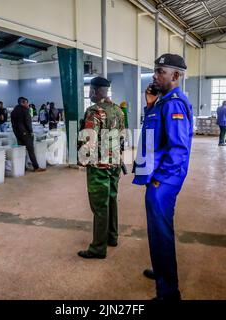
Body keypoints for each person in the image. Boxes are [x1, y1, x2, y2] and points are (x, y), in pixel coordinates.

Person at [132, 53, 194, 300]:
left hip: (164, 180)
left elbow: (179, 149)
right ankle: (161, 272)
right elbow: (152, 134)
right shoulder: (161, 101)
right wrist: (149, 105)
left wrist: (160, 178)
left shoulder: (174, 103)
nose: (155, 75)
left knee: (161, 233)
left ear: (176, 76)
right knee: (156, 231)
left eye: (160, 72)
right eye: (155, 71)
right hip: (158, 175)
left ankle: (169, 292)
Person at [77, 76, 125, 259]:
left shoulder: (93, 111)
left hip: (99, 166)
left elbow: (88, 140)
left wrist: (82, 160)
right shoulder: (118, 110)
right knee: (111, 200)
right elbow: (121, 137)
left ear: (95, 91)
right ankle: (112, 237)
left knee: (100, 206)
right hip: (114, 164)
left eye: (90, 90)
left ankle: (98, 247)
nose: (89, 93)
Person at [11, 97, 46, 172]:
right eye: (27, 103)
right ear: (22, 103)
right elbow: (28, 123)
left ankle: (23, 167)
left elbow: (13, 124)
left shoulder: (13, 112)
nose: (28, 104)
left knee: (22, 150)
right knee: (30, 150)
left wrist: (16, 133)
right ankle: (36, 167)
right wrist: (31, 132)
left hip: (18, 134)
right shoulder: (25, 111)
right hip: (26, 134)